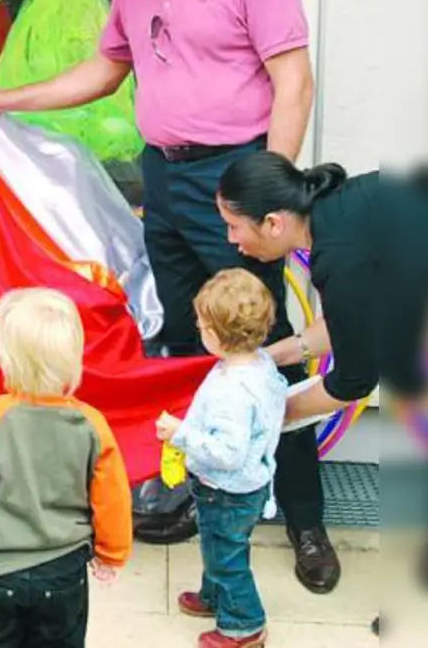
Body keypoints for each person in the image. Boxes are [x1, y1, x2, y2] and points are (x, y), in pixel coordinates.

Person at [0, 0, 332, 592]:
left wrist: (266, 194)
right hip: (165, 179)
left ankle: (305, 519)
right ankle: (189, 493)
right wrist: (3, 98)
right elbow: (104, 70)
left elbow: (294, 81)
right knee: (182, 336)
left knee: (262, 343)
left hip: (235, 175)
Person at [213, 150, 428, 638]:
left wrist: (267, 414)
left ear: (273, 223)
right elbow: (350, 321)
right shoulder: (339, 211)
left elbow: (352, 380)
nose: (231, 240)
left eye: (234, 226)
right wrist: (268, 357)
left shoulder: (338, 255)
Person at [0, 287, 133, 648]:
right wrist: (112, 553)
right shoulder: (91, 425)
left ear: (4, 357)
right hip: (63, 571)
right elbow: (112, 499)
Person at [157, 269, 289, 648]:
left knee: (227, 559)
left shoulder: (233, 390)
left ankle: (244, 625)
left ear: (217, 334)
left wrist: (180, 434)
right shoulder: (259, 364)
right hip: (245, 484)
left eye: (201, 325)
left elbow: (229, 454)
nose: (198, 329)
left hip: (227, 490)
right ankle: (214, 596)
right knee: (218, 547)